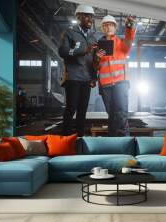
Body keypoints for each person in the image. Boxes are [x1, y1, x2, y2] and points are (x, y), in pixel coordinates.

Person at [58, 5, 97, 136]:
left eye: (91, 16)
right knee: (71, 108)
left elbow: (92, 60)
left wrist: (94, 77)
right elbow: (62, 51)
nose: (90, 19)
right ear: (78, 16)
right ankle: (65, 139)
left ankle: (79, 137)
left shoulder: (93, 37)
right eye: (87, 16)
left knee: (83, 110)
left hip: (86, 79)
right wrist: (82, 50)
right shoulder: (69, 32)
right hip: (73, 78)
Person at [96, 15, 136, 136]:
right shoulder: (98, 46)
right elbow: (95, 67)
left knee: (121, 113)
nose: (108, 27)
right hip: (105, 85)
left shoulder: (122, 44)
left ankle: (124, 141)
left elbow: (129, 37)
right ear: (102, 28)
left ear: (115, 27)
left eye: (111, 25)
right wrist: (96, 58)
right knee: (111, 114)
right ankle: (113, 140)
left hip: (120, 83)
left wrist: (129, 25)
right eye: (105, 25)